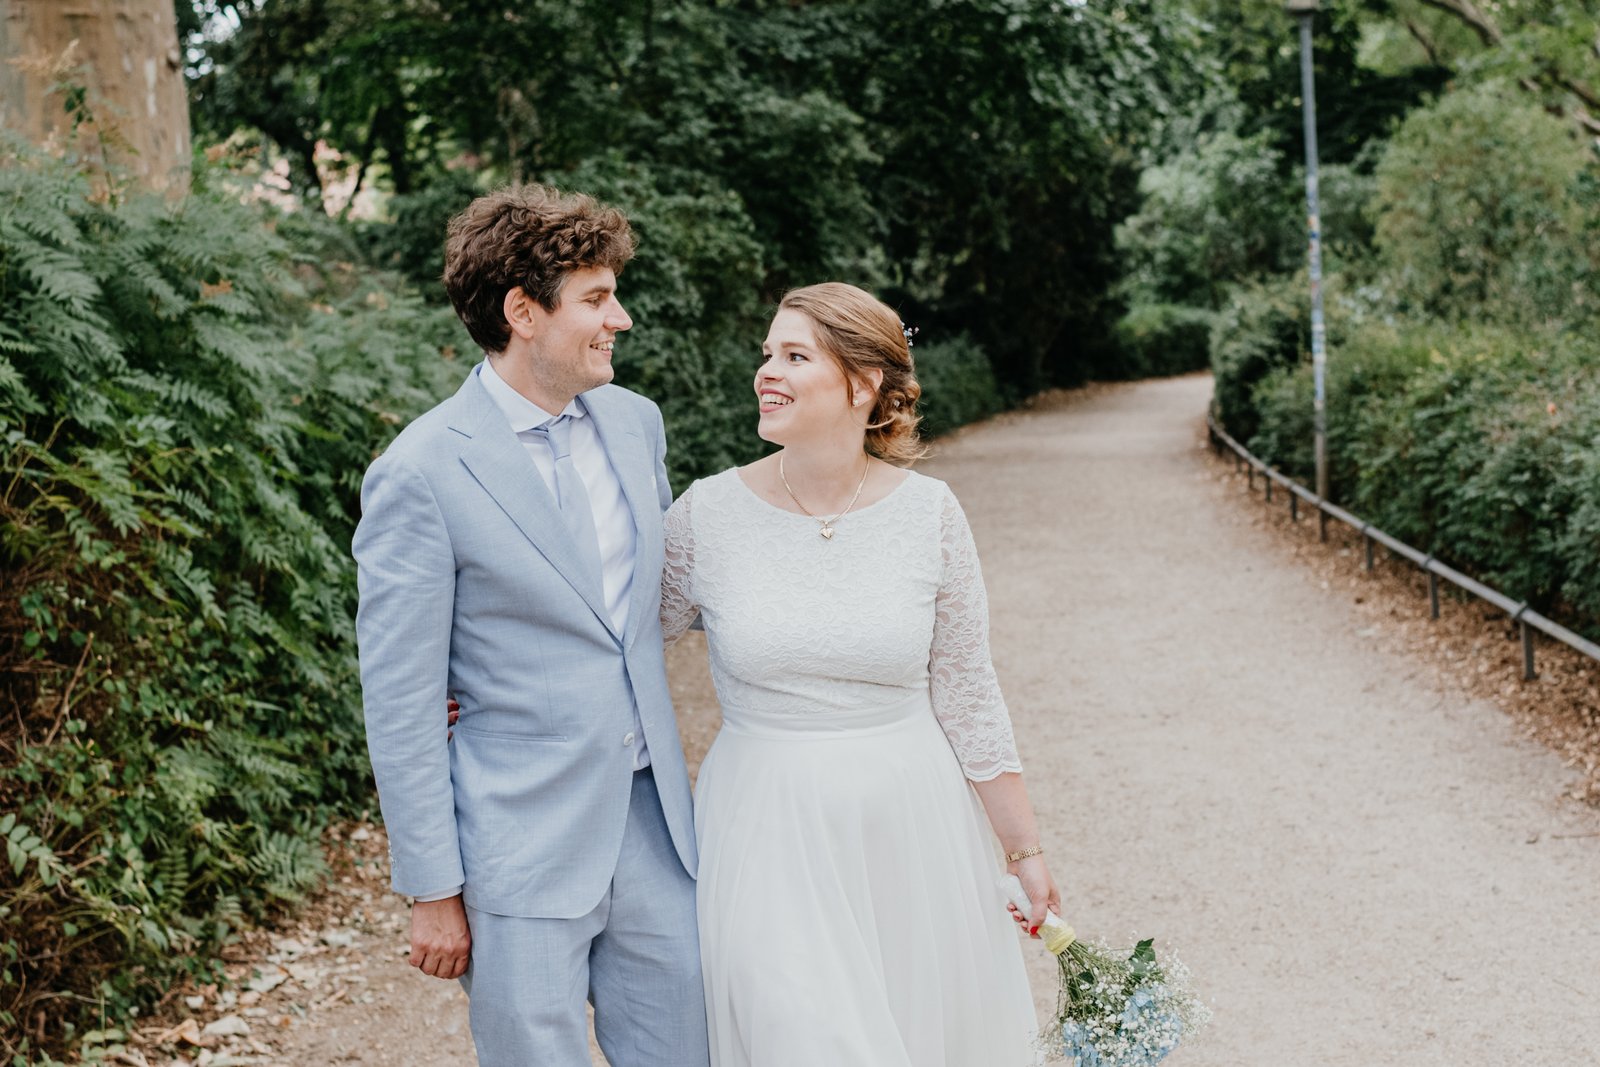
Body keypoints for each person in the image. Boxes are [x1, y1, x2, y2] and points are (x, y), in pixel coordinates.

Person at [352, 184, 709, 1066]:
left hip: (654, 825)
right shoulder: (420, 471)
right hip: (515, 844)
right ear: (522, 312)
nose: (620, 318)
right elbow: (400, 701)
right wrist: (432, 887)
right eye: (597, 298)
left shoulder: (637, 424)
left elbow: (654, 604)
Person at [661, 282, 1059, 1065]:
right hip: (764, 825)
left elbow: (968, 691)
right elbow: (615, 643)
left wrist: (1023, 851)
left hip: (911, 825)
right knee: (801, 1035)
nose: (766, 371)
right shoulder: (705, 516)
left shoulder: (930, 513)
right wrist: (475, 686)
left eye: (794, 355)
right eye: (767, 353)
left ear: (863, 383)